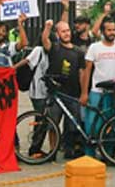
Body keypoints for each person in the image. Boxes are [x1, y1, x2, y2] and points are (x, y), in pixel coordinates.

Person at [81, 16, 115, 156]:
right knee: (91, 124)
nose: (112, 32)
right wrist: (84, 93)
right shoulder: (94, 47)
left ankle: (108, 154)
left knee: (111, 123)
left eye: (114, 30)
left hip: (113, 92)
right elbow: (87, 71)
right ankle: (89, 155)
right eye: (109, 30)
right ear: (103, 31)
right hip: (96, 91)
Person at [41, 20, 85, 159]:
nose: (66, 34)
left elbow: (82, 73)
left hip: (73, 93)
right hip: (56, 93)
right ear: (58, 34)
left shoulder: (78, 52)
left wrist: (83, 91)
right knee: (52, 123)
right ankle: (52, 151)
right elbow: (45, 40)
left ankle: (69, 149)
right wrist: (47, 27)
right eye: (63, 31)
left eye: (68, 31)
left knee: (72, 125)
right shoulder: (55, 48)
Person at [12, 45, 50, 158]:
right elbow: (27, 61)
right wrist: (13, 68)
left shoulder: (52, 50)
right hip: (37, 91)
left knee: (42, 119)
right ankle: (34, 149)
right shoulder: (38, 49)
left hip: (46, 91)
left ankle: (36, 147)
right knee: (41, 119)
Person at [0, 2, 28, 67]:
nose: (1, 33)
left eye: (3, 31)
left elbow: (24, 43)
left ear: (7, 33)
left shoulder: (10, 46)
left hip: (5, 77)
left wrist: (20, 24)